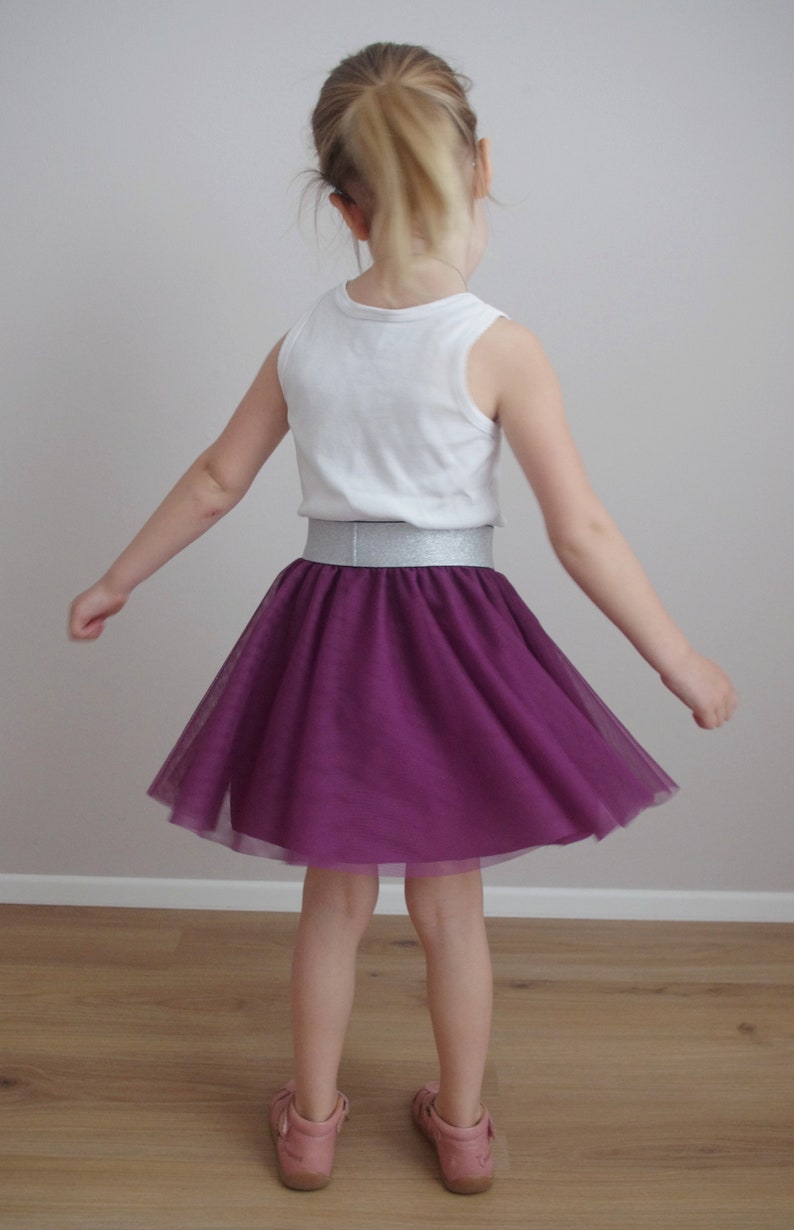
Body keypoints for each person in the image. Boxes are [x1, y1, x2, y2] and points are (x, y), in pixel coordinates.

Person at [69, 42, 737, 1196]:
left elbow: (217, 481)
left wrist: (118, 576)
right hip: (453, 644)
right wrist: (676, 659)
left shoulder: (305, 339)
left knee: (332, 901)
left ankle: (314, 1123)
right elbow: (578, 531)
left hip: (326, 635)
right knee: (450, 906)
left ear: (340, 205)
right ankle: (463, 1127)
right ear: (480, 167)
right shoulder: (499, 345)